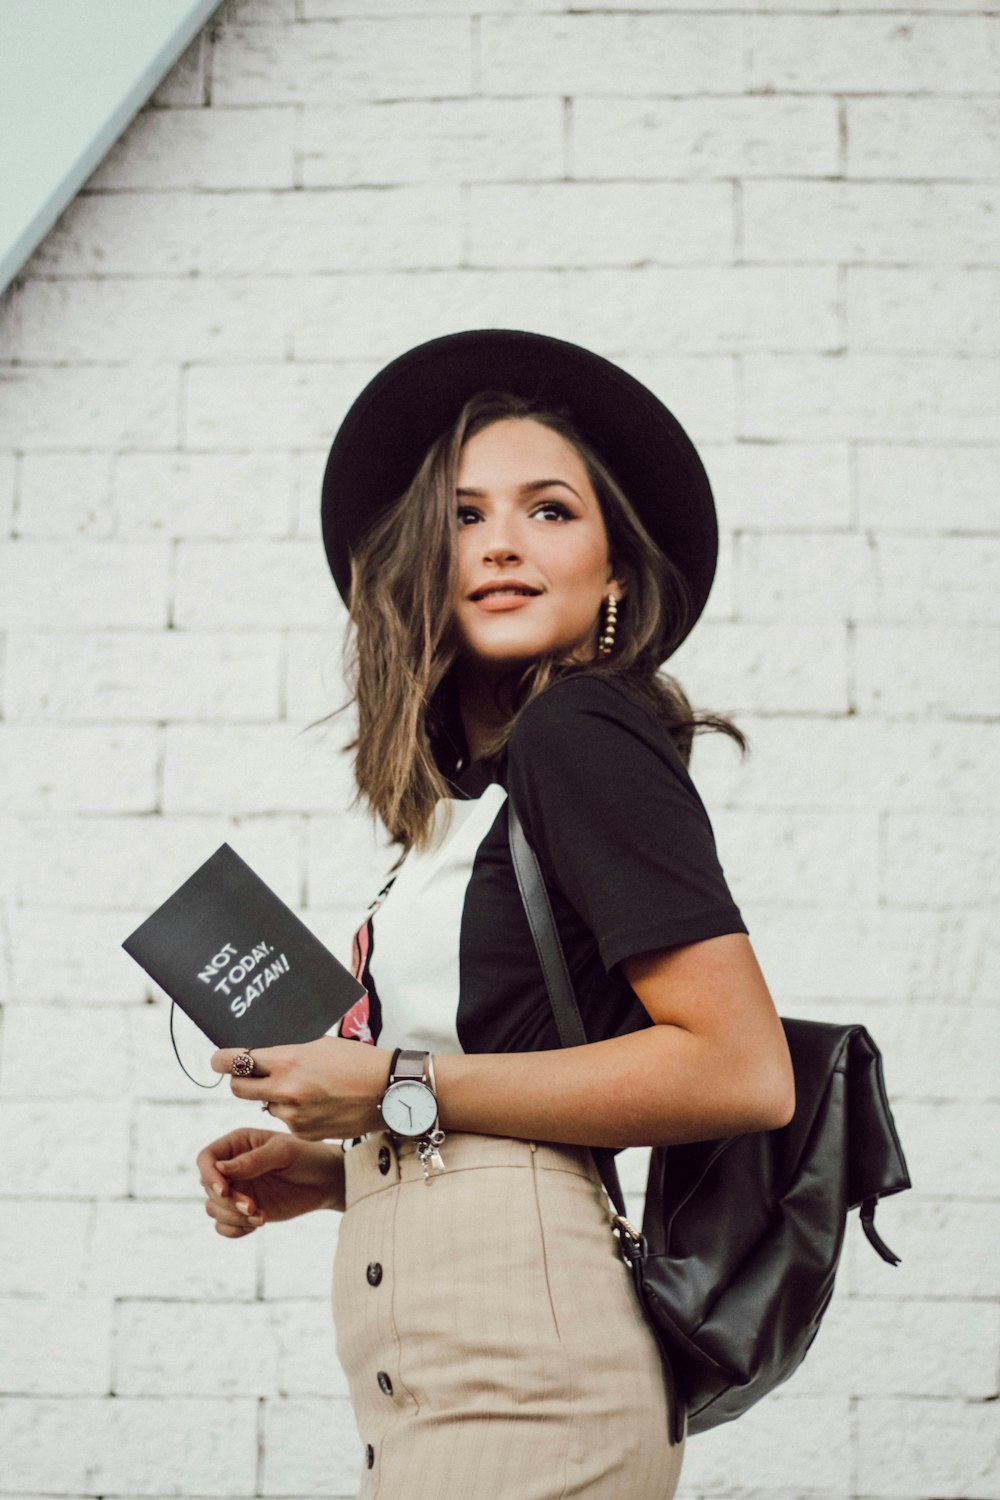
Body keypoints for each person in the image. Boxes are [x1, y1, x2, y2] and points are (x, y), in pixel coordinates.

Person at [195, 330, 795, 1500]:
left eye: (550, 512)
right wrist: (338, 1170)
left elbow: (739, 1070)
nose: (503, 544)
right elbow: (526, 1086)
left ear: (616, 574)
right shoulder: (472, 798)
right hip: (442, 1368)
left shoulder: (582, 731)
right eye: (465, 516)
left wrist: (389, 1085)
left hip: (528, 1374)